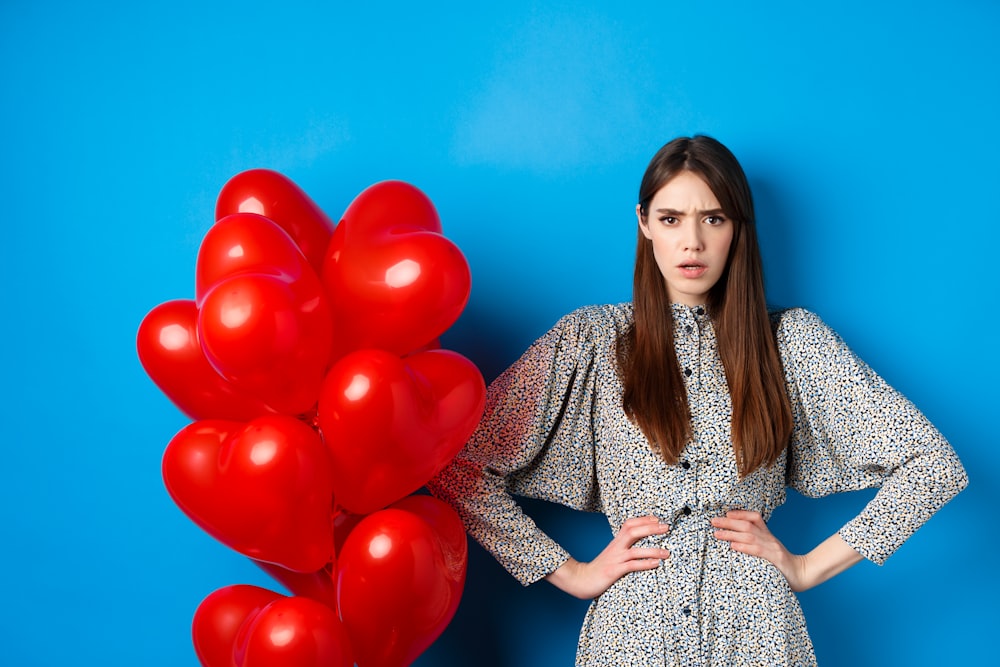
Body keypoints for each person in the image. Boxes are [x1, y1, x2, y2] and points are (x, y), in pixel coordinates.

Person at [427, 135, 967, 666]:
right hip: (633, 638)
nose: (692, 242)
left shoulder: (791, 345)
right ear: (643, 223)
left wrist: (805, 568)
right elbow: (455, 461)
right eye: (671, 218)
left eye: (713, 218)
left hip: (757, 633)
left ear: (737, 229)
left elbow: (933, 466)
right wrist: (568, 571)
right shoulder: (592, 341)